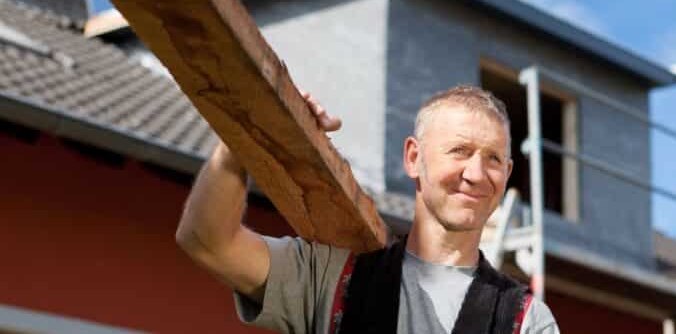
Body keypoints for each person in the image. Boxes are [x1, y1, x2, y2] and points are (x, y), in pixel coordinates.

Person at [176, 85, 559, 334]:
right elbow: (208, 241)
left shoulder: (525, 321)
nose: (476, 174)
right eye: (459, 151)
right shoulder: (334, 277)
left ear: (507, 174)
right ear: (414, 158)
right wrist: (247, 134)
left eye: (493, 159)